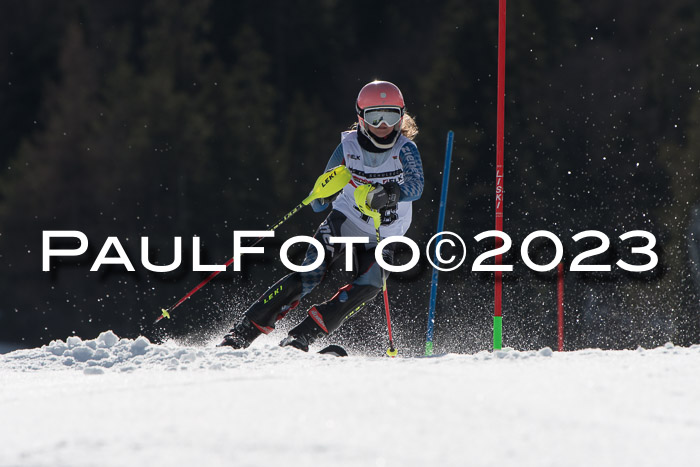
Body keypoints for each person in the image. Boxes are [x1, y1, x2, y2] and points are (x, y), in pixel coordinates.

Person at [219, 80, 424, 351]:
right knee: (309, 271)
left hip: (384, 232)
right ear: (361, 117)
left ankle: (304, 334)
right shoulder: (348, 146)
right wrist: (321, 195)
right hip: (345, 219)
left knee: (372, 284)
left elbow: (416, 186)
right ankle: (244, 330)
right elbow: (320, 198)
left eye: (391, 115)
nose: (383, 124)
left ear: (401, 117)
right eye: (376, 116)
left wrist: (388, 195)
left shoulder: (405, 149)